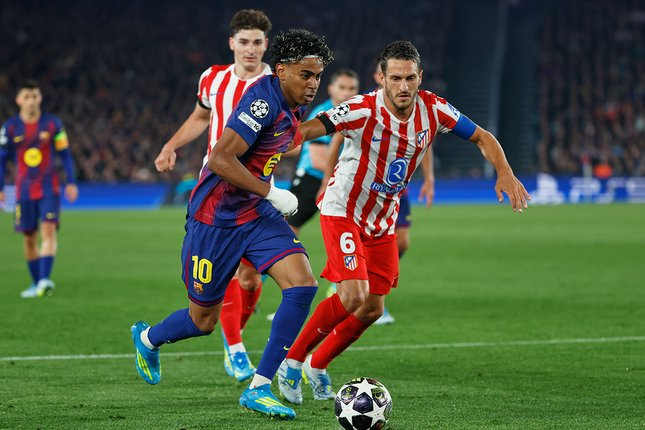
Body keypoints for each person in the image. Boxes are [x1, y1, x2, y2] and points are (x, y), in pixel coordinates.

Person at [278, 40, 530, 404]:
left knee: (372, 308)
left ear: (420, 77)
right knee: (352, 294)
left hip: (383, 220)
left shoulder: (434, 109)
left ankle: (316, 365)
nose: (403, 86)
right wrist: (272, 141)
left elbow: (482, 136)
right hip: (343, 210)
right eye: (395, 78)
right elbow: (311, 129)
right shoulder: (362, 108)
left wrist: (504, 170)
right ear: (382, 78)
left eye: (410, 78)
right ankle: (292, 360)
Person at [131, 28, 334, 420]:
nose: (313, 84)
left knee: (302, 284)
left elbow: (289, 138)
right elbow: (220, 159)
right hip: (215, 219)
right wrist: (272, 192)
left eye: (317, 76)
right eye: (306, 75)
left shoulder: (294, 104)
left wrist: (341, 119)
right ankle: (148, 338)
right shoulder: (262, 102)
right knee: (202, 321)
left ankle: (259, 387)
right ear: (282, 71)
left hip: (255, 214)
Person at [153, 9, 272, 383]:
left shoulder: (275, 84)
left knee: (250, 278)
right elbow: (201, 118)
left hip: (257, 189)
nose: (250, 49)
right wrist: (171, 145)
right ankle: (235, 348)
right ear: (232, 42)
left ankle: (232, 337)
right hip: (216, 191)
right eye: (244, 41)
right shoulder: (213, 78)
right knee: (229, 272)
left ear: (265, 44)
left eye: (257, 42)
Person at [265, 68, 360, 322]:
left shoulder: (359, 111)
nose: (347, 93)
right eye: (342, 87)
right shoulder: (324, 114)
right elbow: (318, 160)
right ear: (331, 89)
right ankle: (264, 288)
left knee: (352, 237)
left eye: (352, 88)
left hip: (342, 182)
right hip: (311, 181)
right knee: (284, 237)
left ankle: (341, 287)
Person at [0, 80, 78, 298]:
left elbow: (65, 154)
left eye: (35, 96)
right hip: (24, 190)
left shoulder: (53, 124)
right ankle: (37, 283)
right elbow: (2, 160)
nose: (31, 101)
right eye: (27, 96)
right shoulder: (10, 127)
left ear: (40, 98)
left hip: (49, 187)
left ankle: (44, 280)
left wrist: (71, 181)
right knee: (29, 237)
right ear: (18, 100)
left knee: (48, 230)